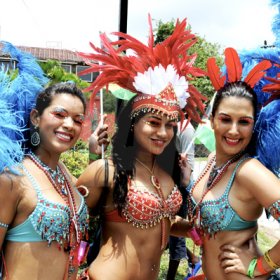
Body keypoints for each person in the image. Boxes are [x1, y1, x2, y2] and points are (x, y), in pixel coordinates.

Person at [76, 15, 207, 280]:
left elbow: (162, 222)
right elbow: (70, 223)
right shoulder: (107, 171)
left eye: (171, 124)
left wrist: (194, 227)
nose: (163, 132)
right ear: (133, 124)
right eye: (154, 122)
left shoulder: (166, 172)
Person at [0, 42, 108, 280]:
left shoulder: (63, 176)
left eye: (78, 119)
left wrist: (93, 154)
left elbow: (88, 200)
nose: (69, 125)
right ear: (36, 117)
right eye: (59, 114)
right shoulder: (12, 180)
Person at [186, 47, 280, 280]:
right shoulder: (210, 162)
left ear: (254, 123)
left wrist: (260, 265)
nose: (234, 130)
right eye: (226, 119)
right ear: (212, 119)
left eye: (244, 122)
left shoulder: (249, 171)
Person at [166, 120, 200, 280]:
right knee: (165, 227)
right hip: (167, 182)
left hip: (180, 187)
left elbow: (189, 165)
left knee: (175, 235)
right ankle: (193, 258)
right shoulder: (168, 124)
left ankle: (171, 277)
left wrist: (184, 183)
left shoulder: (185, 130)